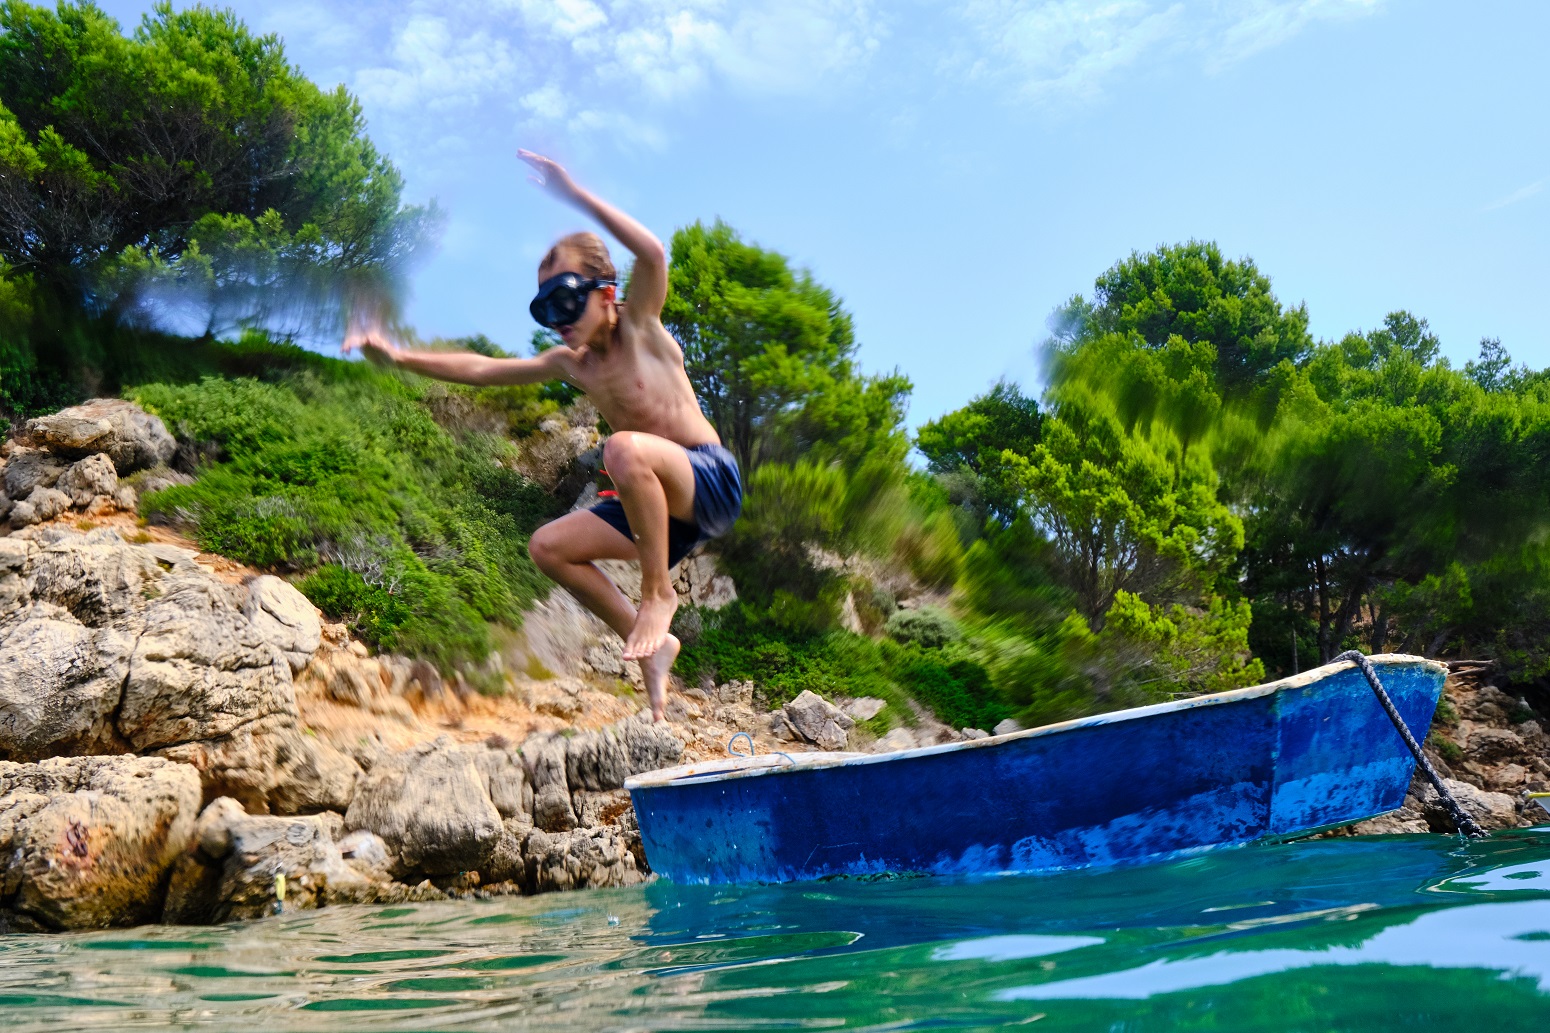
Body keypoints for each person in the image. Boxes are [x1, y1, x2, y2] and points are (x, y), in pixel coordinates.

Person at [344, 151, 741, 722]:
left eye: (566, 299)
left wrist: (573, 191)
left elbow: (651, 253)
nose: (557, 319)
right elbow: (482, 369)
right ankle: (652, 650)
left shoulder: (641, 326)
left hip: (708, 479)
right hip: (662, 511)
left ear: (606, 292)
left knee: (622, 448)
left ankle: (658, 595)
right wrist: (398, 355)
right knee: (549, 547)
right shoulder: (571, 363)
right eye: (543, 309)